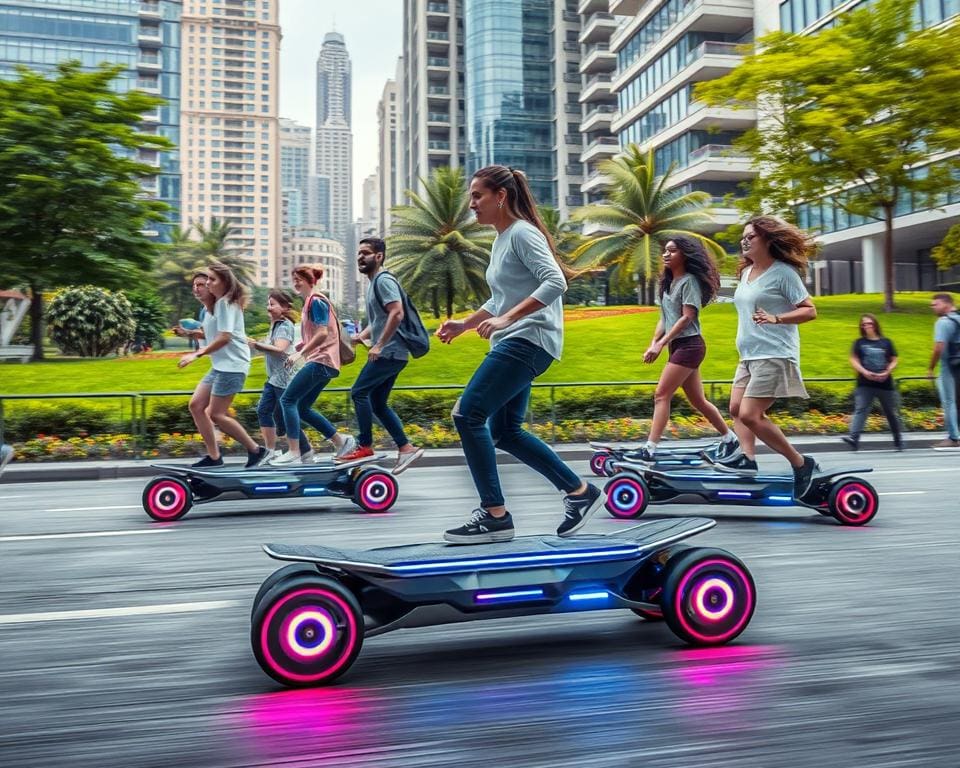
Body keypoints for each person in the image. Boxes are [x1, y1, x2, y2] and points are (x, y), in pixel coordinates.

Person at [436, 164, 602, 544]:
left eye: (478, 195)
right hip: (519, 339)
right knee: (505, 431)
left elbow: (555, 281)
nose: (472, 203)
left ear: (501, 196)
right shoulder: (502, 239)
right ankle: (580, 492)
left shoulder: (523, 233)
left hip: (528, 339)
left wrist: (508, 318)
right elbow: (500, 297)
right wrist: (466, 323)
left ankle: (495, 515)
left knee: (467, 413)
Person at [709, 215, 819, 501]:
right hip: (749, 355)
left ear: (768, 240)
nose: (744, 240)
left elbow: (809, 310)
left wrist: (776, 317)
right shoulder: (746, 272)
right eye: (743, 237)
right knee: (735, 408)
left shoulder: (783, 273)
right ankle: (747, 458)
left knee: (750, 414)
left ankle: (801, 463)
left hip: (775, 354)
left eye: (751, 236)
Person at [634, 236, 739, 463]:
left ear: (684, 255)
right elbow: (664, 318)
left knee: (661, 395)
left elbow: (687, 317)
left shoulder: (689, 281)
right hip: (678, 345)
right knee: (698, 401)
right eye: (665, 251)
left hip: (690, 345)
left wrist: (661, 345)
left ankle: (649, 448)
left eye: (672, 251)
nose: (666, 254)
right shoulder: (667, 283)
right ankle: (730, 438)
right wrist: (655, 342)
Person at [337, 236, 425, 473]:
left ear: (379, 256)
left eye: (365, 253)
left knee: (359, 392)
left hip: (390, 352)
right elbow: (380, 319)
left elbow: (397, 313)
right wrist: (360, 337)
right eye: (358, 253)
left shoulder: (384, 281)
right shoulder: (374, 283)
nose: (360, 257)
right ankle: (406, 448)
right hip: (391, 353)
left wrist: (379, 345)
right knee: (377, 402)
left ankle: (365, 445)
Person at [178, 261, 267, 468]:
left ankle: (256, 451)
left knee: (216, 414)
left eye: (209, 280)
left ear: (224, 282)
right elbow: (213, 334)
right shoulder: (212, 308)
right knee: (196, 406)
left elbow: (224, 337)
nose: (204, 285)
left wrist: (196, 354)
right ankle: (214, 456)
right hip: (220, 366)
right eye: (202, 282)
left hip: (233, 367)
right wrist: (190, 333)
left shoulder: (225, 303)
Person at [270, 263, 356, 464]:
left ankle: (294, 452)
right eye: (294, 279)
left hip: (321, 360)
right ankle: (341, 442)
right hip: (324, 361)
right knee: (302, 407)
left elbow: (323, 332)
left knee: (287, 400)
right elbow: (318, 333)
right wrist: (303, 344)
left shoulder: (316, 301)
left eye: (300, 279)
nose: (296, 283)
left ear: (311, 281)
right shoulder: (309, 302)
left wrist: (301, 354)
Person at [248, 290, 314, 463]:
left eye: (273, 304)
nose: (268, 307)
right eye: (268, 304)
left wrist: (257, 345)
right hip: (274, 377)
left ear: (285, 307)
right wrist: (256, 344)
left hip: (283, 378)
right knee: (270, 412)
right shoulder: (275, 324)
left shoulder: (285, 325)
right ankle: (277, 450)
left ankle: (298, 450)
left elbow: (280, 349)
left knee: (280, 414)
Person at [842, 313, 903, 451]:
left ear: (875, 325)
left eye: (869, 323)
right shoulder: (859, 342)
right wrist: (864, 372)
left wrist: (887, 371)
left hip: (885, 383)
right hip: (865, 383)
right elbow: (853, 359)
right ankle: (854, 439)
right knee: (861, 409)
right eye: (864, 324)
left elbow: (894, 359)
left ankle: (898, 440)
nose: (867, 326)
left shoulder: (886, 342)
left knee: (891, 412)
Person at [928, 292, 960, 449]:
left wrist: (930, 368)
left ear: (946, 304)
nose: (932, 307)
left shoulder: (943, 322)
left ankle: (954, 438)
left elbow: (939, 347)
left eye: (935, 304)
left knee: (949, 402)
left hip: (949, 367)